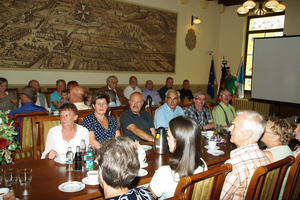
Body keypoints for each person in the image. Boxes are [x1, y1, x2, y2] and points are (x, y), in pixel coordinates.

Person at [148, 116, 207, 199]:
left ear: (177, 141)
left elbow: (145, 197)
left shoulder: (164, 174)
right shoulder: (203, 165)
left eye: (168, 135)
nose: (167, 139)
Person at [220, 110, 271, 200]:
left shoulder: (233, 166)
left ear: (248, 134)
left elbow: (217, 196)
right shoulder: (266, 159)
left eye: (234, 126)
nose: (229, 129)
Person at [261, 117, 294, 199]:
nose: (261, 132)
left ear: (276, 138)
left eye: (265, 131)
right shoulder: (287, 150)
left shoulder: (267, 155)